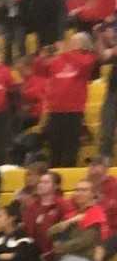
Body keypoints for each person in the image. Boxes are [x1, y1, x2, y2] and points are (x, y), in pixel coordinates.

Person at [45, 31, 99, 166]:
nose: (72, 43)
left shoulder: (88, 57)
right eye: (72, 40)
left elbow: (83, 66)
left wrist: (64, 53)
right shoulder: (60, 59)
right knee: (54, 146)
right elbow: (45, 70)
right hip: (55, 110)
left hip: (73, 110)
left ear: (84, 44)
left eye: (76, 40)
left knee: (70, 146)